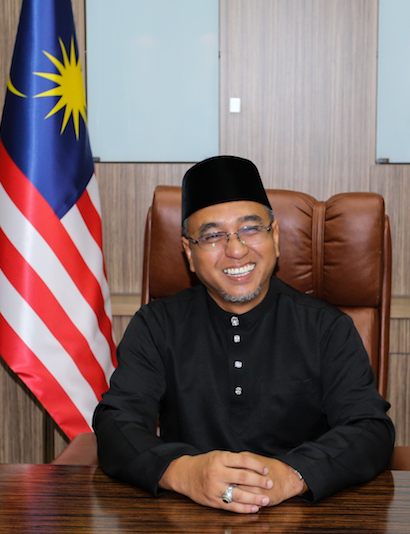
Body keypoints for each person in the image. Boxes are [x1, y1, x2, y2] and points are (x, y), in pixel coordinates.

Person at [93, 155, 394, 514]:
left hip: (300, 520)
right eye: (212, 236)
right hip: (183, 522)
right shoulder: (156, 325)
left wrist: (293, 474)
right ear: (189, 252)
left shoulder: (326, 327)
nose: (236, 250)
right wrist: (183, 472)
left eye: (251, 229)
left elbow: (370, 428)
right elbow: (116, 424)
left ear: (276, 236)